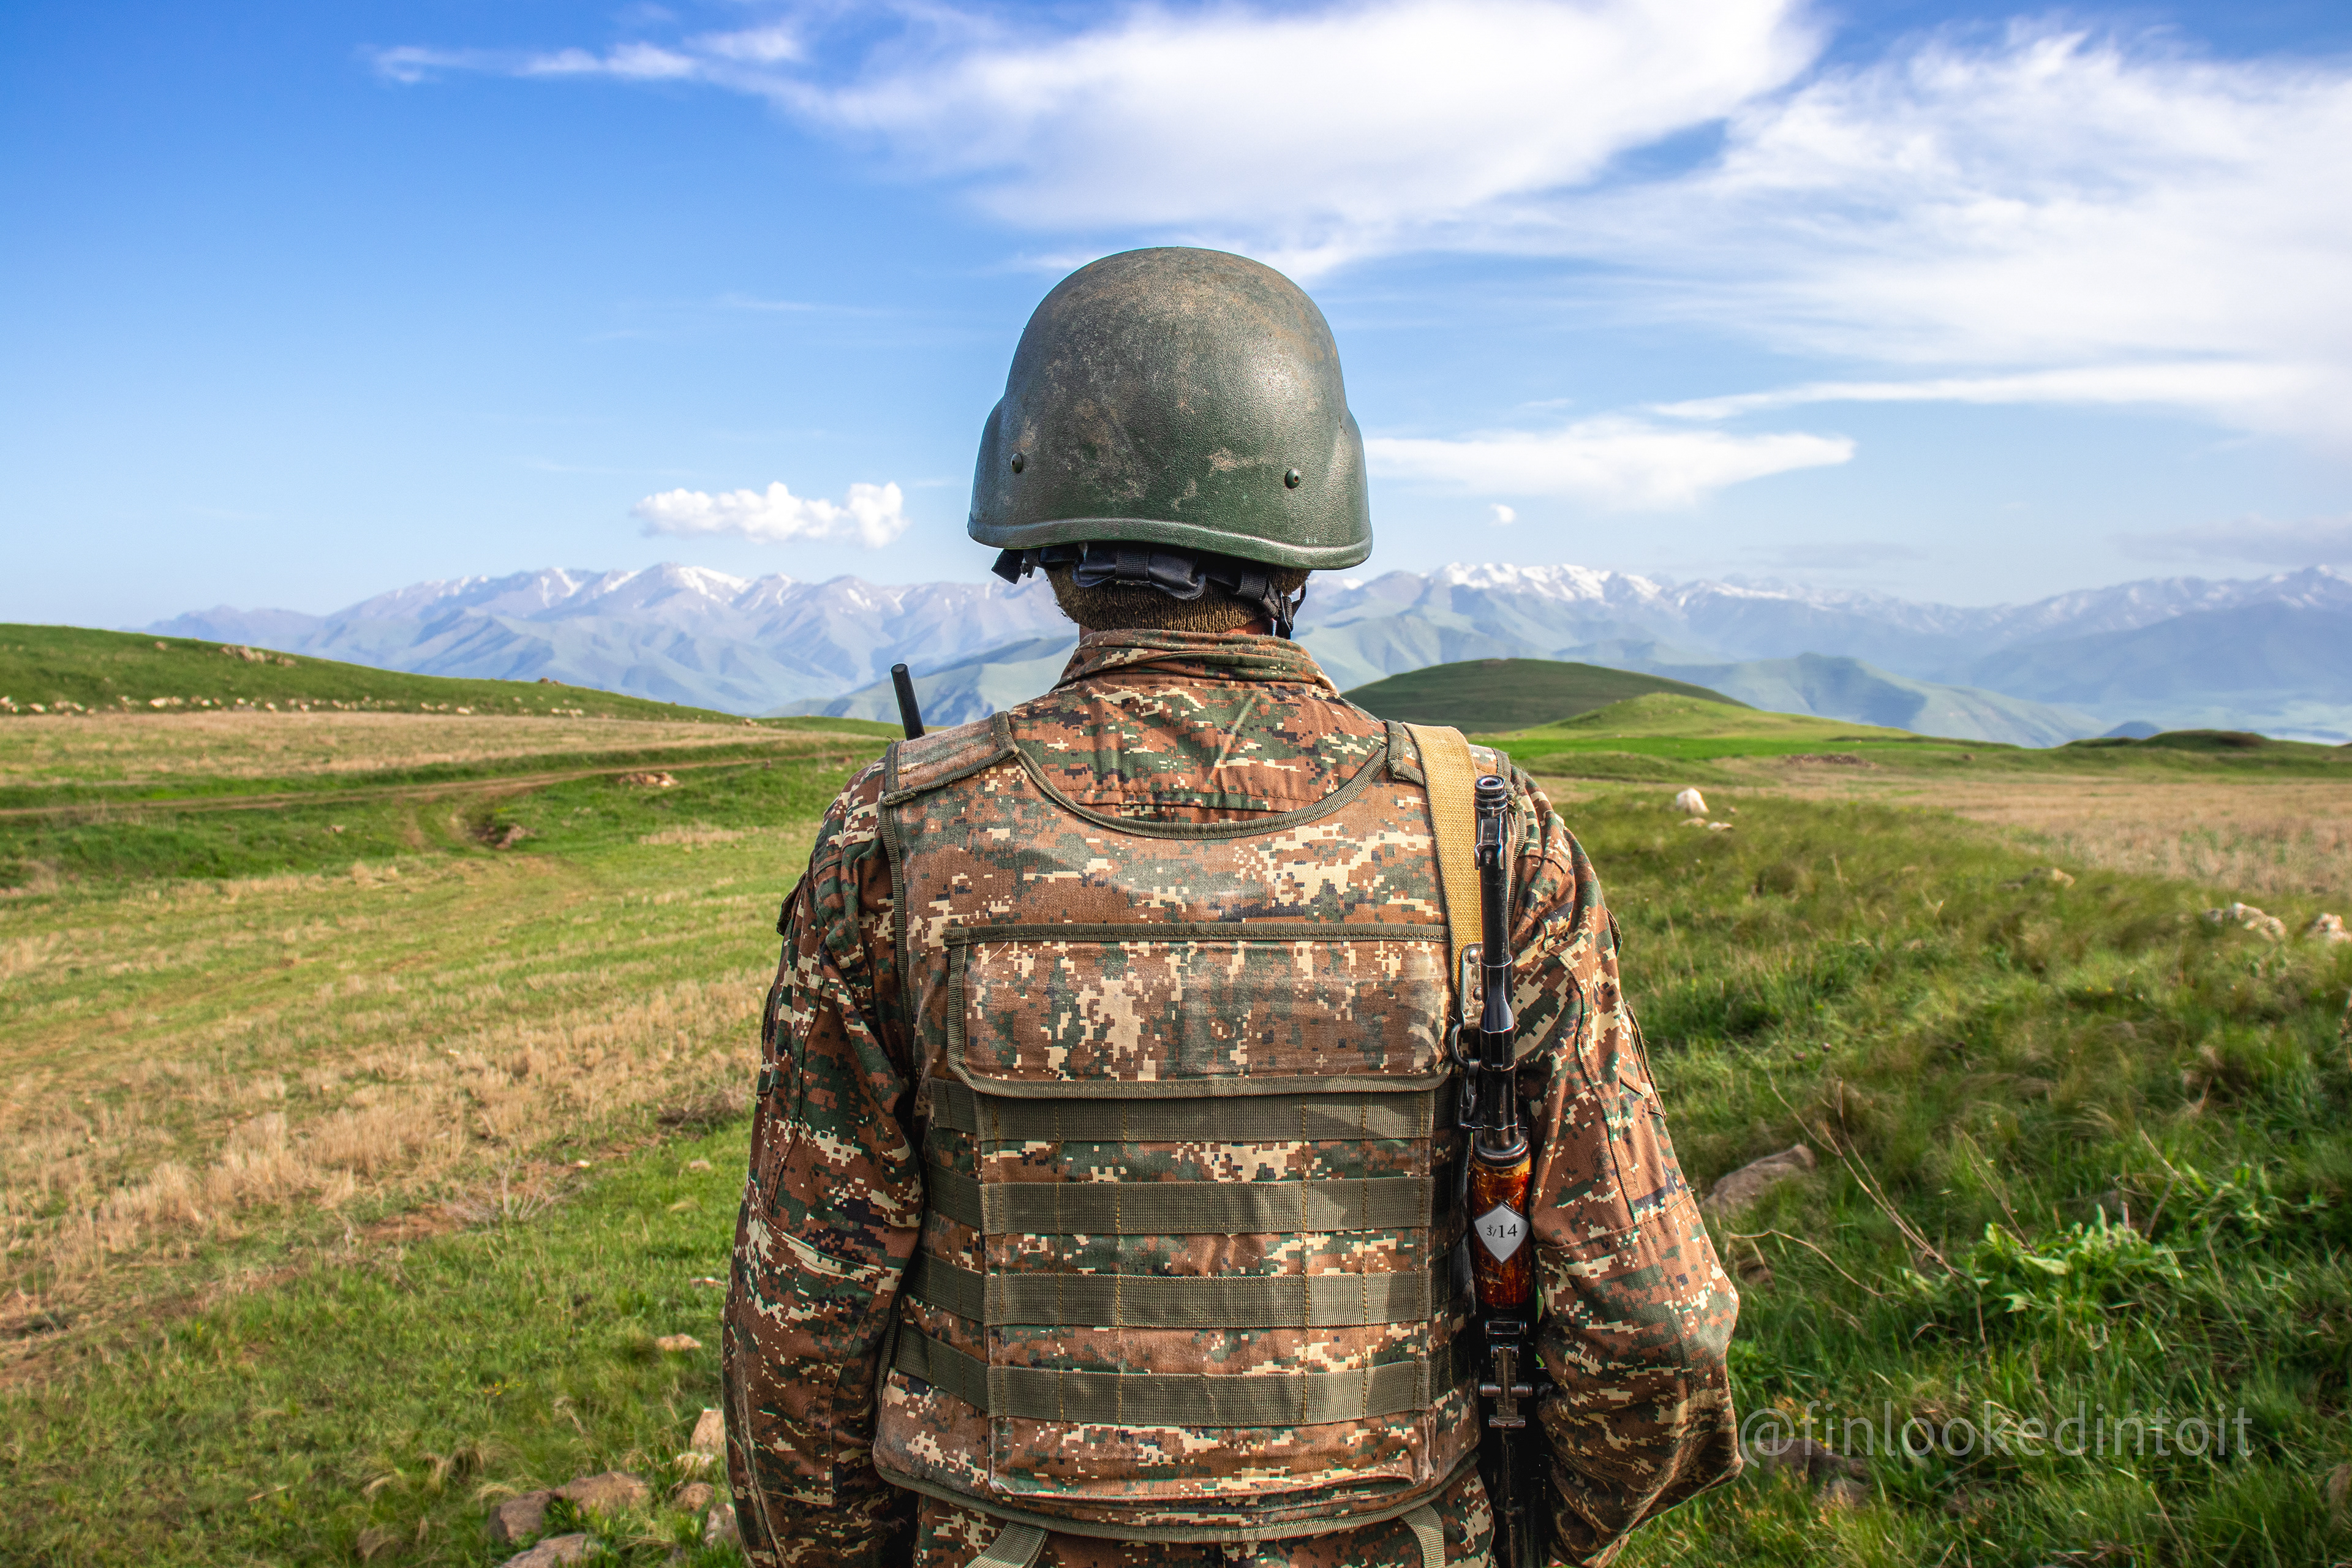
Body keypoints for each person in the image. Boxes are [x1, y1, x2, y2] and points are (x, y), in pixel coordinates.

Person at [722, 247, 1740, 1568]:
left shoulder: (898, 838)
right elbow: (1654, 1320)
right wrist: (1529, 1534)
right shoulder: (1487, 838)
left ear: (1032, 532)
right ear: (1311, 522)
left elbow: (800, 1324)